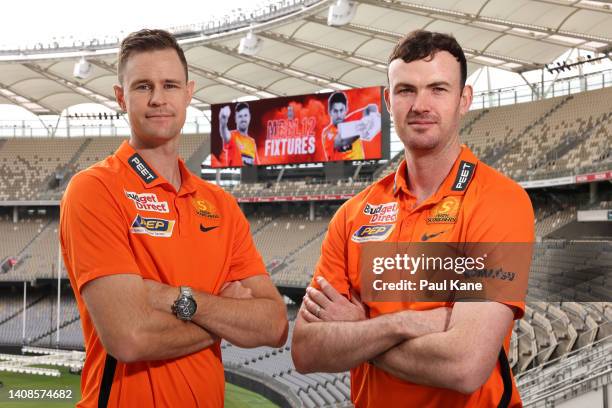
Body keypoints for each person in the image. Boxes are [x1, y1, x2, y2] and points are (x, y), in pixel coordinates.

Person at [292, 30, 534, 407]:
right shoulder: (352, 216)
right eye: (406, 90)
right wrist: (403, 323)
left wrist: (359, 329)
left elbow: (464, 365)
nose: (420, 104)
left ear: (463, 100)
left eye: (438, 89)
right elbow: (307, 351)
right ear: (388, 101)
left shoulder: (499, 201)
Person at [60, 29, 288, 408]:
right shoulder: (94, 189)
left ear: (188, 92)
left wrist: (176, 298)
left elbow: (274, 324)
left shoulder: (220, 205)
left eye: (169, 85)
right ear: (120, 97)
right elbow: (130, 337)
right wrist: (224, 313)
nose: (158, 99)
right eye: (142, 87)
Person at [321, 91, 365, 161]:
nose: (339, 115)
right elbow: (340, 142)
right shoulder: (327, 132)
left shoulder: (352, 121)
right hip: (339, 169)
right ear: (329, 111)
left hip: (361, 167)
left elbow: (369, 110)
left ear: (346, 109)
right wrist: (360, 130)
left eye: (341, 110)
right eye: (335, 111)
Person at [218, 102, 258, 166]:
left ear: (249, 117)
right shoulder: (232, 136)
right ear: (236, 119)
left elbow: (256, 164)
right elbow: (224, 131)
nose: (243, 119)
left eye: (245, 115)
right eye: (240, 116)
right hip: (233, 172)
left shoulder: (252, 142)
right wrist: (223, 121)